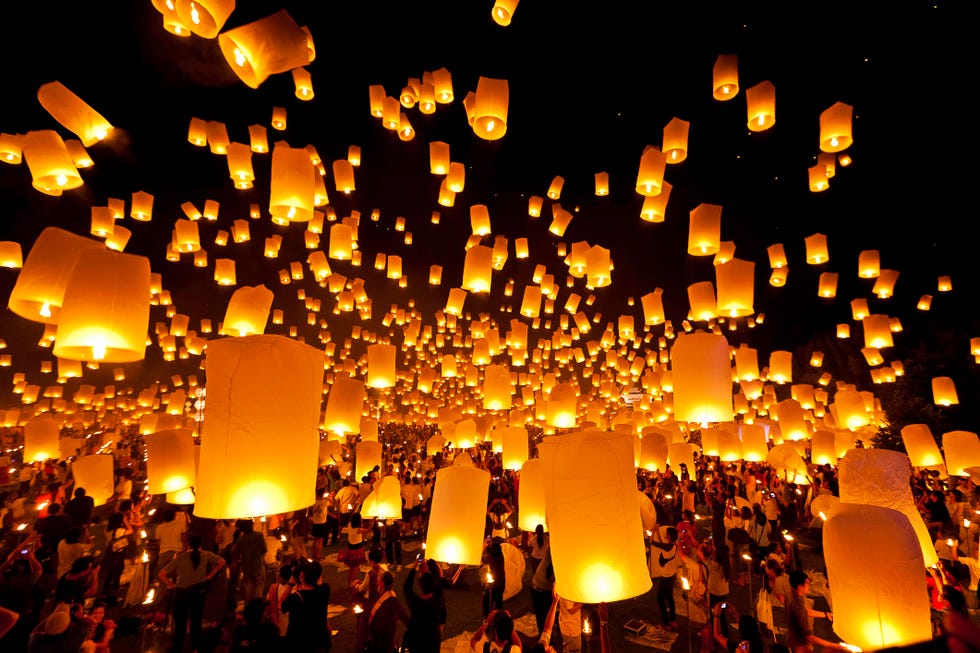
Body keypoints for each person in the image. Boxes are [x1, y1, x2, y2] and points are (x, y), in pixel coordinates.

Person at [158, 532, 226, 653]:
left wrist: (171, 584)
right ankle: (196, 646)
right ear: (200, 544)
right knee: (196, 620)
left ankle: (178, 646)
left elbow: (161, 574)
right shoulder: (206, 555)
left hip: (182, 592)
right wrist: (210, 575)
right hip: (198, 591)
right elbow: (221, 562)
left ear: (188, 544)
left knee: (180, 622)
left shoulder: (180, 558)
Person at [785, 570, 848, 653]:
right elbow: (810, 637)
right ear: (800, 586)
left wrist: (826, 614)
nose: (809, 585)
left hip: (791, 638)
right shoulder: (797, 604)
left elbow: (804, 611)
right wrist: (835, 646)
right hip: (800, 645)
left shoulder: (790, 593)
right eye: (807, 583)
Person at [281, 560, 332, 653]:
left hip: (300, 643)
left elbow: (281, 605)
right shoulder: (325, 590)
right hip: (319, 639)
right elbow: (319, 583)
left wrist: (291, 582)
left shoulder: (296, 598)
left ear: (301, 576)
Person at [403, 557, 445, 653]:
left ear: (420, 586)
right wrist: (427, 573)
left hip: (418, 641)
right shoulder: (438, 601)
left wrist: (414, 567)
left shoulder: (415, 603)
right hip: (433, 640)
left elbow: (406, 587)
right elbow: (437, 586)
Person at [365, 571, 409, 653]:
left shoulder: (392, 599)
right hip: (378, 634)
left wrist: (412, 628)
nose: (378, 581)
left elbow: (402, 614)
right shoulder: (381, 593)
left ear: (382, 583)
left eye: (380, 579)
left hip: (385, 634)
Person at [649, 526, 683, 630]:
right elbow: (660, 542)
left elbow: (652, 542)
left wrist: (653, 531)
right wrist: (657, 531)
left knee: (660, 598)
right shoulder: (673, 545)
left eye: (666, 533)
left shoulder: (667, 547)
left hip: (666, 577)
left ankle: (666, 623)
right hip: (672, 576)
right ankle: (673, 620)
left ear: (668, 536)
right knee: (669, 598)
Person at [97, 511, 130, 605]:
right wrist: (126, 521)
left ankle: (109, 590)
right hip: (117, 553)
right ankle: (110, 591)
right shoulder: (119, 530)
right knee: (115, 571)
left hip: (111, 552)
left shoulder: (108, 530)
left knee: (114, 571)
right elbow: (131, 530)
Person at [231, 519, 267, 605]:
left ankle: (249, 606)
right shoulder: (259, 535)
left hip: (246, 568)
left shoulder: (241, 539)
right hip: (258, 566)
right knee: (259, 587)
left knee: (249, 589)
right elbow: (264, 550)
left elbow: (234, 552)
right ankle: (257, 606)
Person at [265, 561, 294, 640]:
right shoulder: (296, 589)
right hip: (293, 625)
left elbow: (269, 604)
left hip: (279, 623)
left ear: (280, 576)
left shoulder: (274, 588)